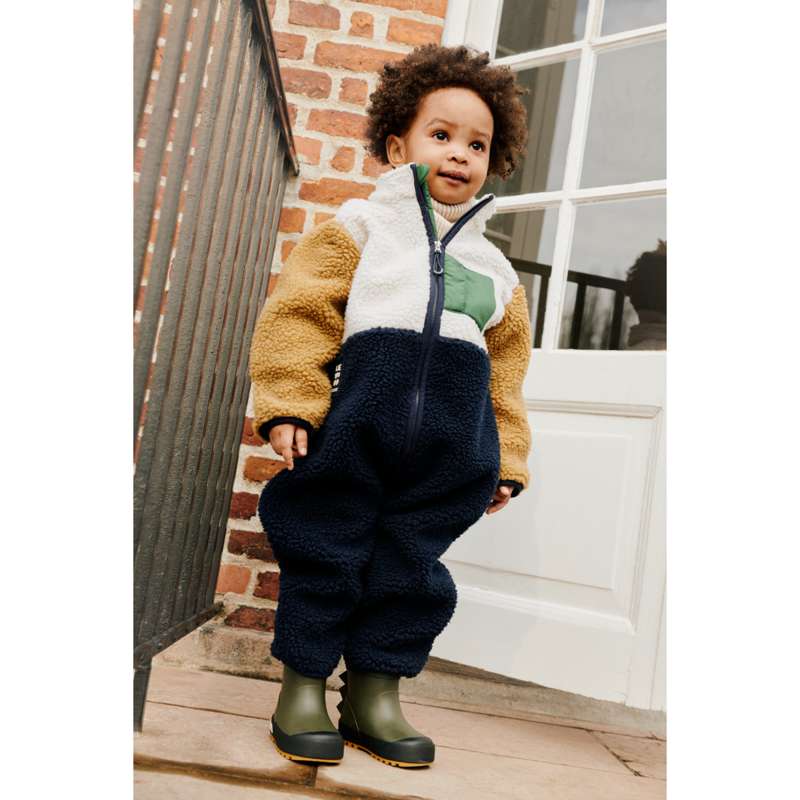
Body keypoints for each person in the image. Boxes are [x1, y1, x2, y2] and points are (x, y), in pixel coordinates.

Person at [248, 43, 532, 768]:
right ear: (398, 145)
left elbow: (506, 375)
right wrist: (291, 403)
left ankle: (375, 693)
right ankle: (303, 686)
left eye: (477, 144)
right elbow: (299, 316)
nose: (460, 153)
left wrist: (506, 457)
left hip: (449, 452)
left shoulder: (497, 272)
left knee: (412, 571)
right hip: (355, 430)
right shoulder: (360, 230)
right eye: (442, 135)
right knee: (325, 550)